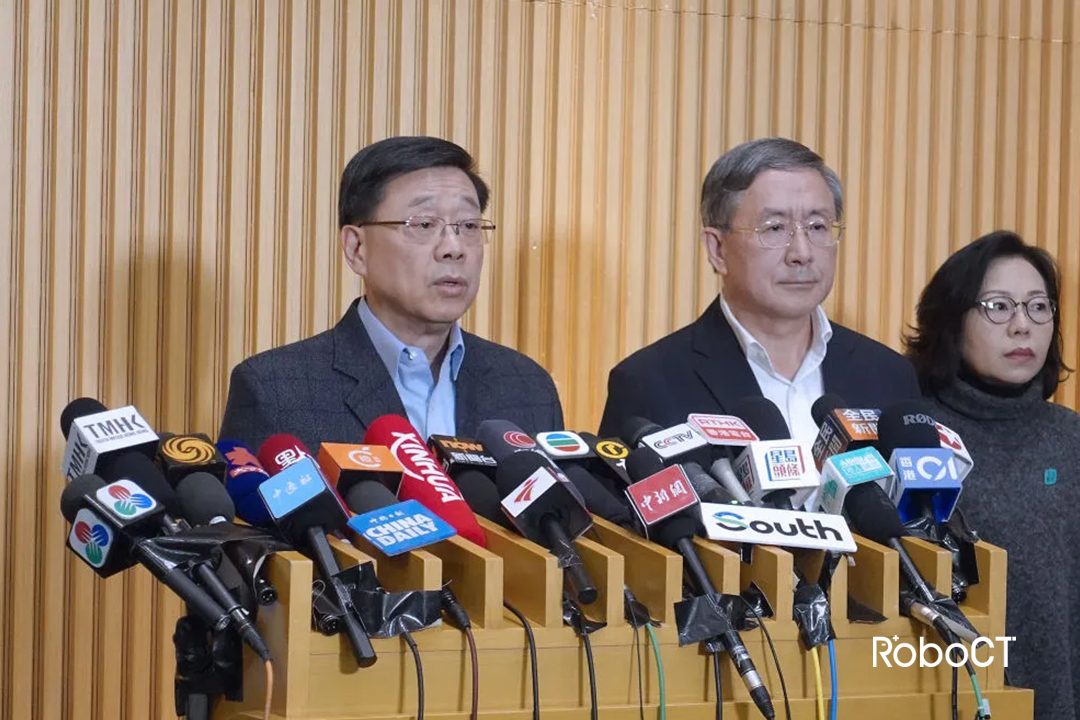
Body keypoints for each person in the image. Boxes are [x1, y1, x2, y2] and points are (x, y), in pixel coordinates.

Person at [220, 136, 563, 452]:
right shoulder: (277, 390)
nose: (454, 248)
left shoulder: (526, 386)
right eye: (424, 224)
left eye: (469, 226)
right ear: (356, 248)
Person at [599, 137, 919, 442]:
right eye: (775, 228)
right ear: (717, 249)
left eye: (818, 227)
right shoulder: (648, 383)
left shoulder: (889, 375)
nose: (802, 253)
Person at [905, 230, 1079, 720]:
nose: (1022, 326)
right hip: (940, 693)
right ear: (951, 321)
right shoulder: (913, 433)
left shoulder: (1070, 438)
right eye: (998, 307)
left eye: (1038, 307)